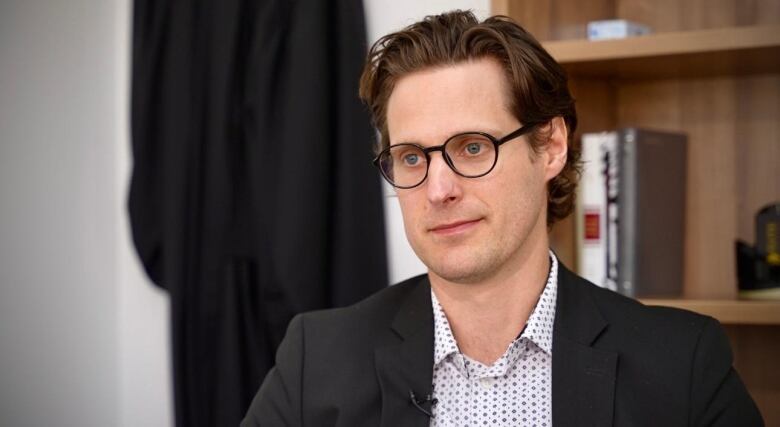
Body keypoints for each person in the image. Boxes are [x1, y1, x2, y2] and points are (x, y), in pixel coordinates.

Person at [242, 10, 763, 426]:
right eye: (411, 157)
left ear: (551, 146)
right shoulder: (316, 358)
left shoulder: (683, 365)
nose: (438, 189)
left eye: (472, 147)